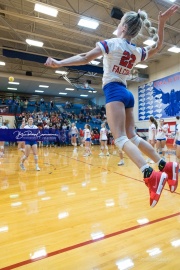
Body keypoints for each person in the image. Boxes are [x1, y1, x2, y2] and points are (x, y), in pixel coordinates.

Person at [45, 5, 179, 207]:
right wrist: (161, 23)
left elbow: (84, 58)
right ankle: (164, 164)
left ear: (124, 26)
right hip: (126, 93)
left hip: (114, 90)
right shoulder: (136, 50)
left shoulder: (111, 43)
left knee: (121, 139)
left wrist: (58, 63)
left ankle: (149, 174)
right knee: (132, 136)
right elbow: (157, 47)